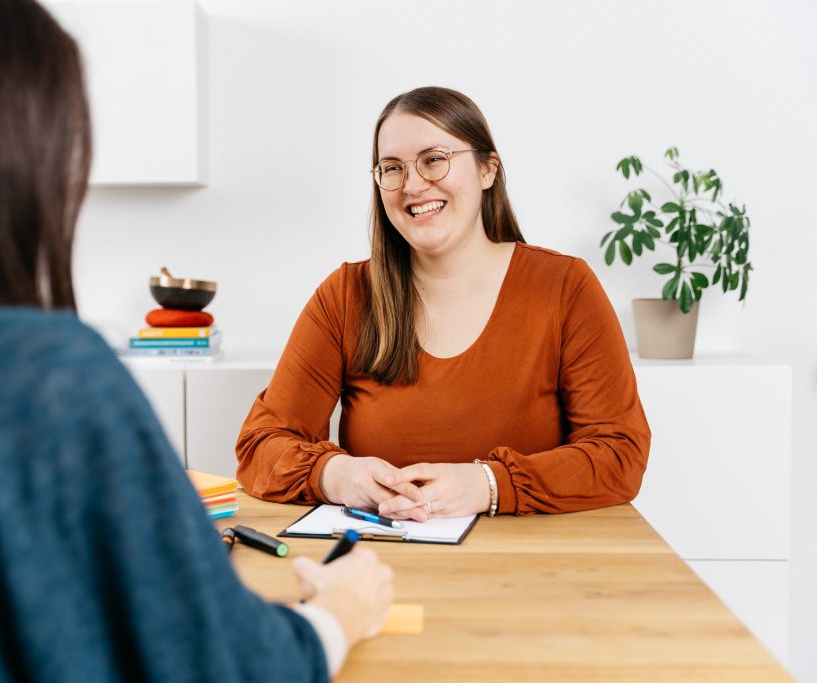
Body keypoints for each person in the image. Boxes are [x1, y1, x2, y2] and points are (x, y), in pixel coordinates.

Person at [0, 1, 392, 681]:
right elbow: (222, 660)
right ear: (21, 160)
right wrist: (335, 611)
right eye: (392, 167)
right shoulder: (42, 376)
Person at [236, 86, 650, 521]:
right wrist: (337, 475)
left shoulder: (565, 287)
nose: (413, 186)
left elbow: (619, 455)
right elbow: (260, 446)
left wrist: (488, 485)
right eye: (392, 169)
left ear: (487, 169)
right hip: (383, 562)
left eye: (434, 160)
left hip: (532, 568)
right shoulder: (345, 295)